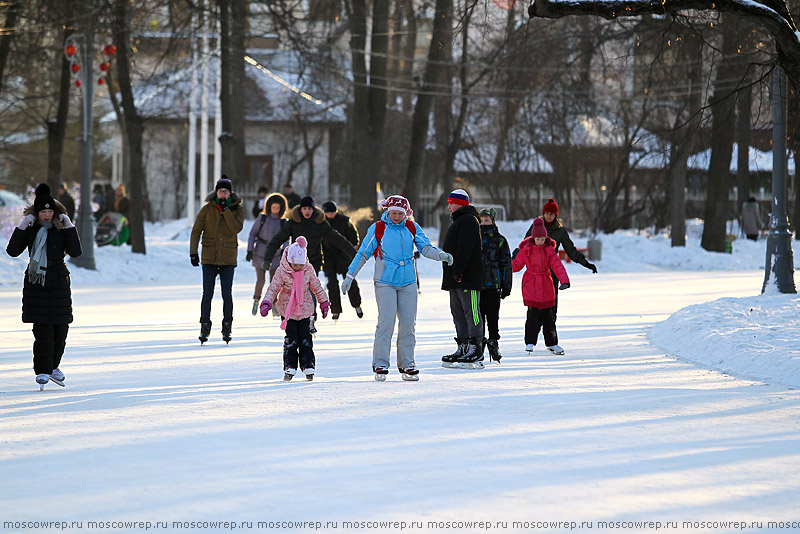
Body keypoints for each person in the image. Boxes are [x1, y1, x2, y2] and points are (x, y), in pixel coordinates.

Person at [342, 195, 452, 381]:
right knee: (386, 323)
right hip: (385, 281)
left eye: (399, 213)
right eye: (392, 213)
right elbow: (363, 253)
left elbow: (425, 247)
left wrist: (441, 255)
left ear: (405, 213)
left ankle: (407, 363)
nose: (396, 216)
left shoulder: (411, 227)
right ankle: (380, 363)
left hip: (408, 281)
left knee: (408, 324)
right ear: (387, 211)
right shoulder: (379, 228)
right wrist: (350, 275)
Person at [5, 184, 82, 388]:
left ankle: (53, 367)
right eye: (43, 211)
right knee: (42, 331)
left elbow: (75, 252)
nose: (47, 215)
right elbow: (12, 251)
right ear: (36, 212)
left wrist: (69, 226)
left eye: (50, 211)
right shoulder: (31, 229)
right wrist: (23, 226)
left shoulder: (60, 227)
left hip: (58, 281)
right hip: (36, 281)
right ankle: (42, 371)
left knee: (61, 329)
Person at [261, 196, 356, 334]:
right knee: (297, 292)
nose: (307, 211)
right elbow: (277, 239)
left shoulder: (320, 223)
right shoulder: (294, 222)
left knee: (310, 290)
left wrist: (353, 254)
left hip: (313, 263)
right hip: (295, 264)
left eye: (309, 209)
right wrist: (267, 258)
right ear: (300, 209)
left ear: (313, 210)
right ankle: (294, 317)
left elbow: (337, 239)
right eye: (304, 208)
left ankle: (311, 318)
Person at [259, 236, 330, 381]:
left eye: (300, 264)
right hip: (287, 311)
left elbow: (317, 287)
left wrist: (323, 303)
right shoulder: (282, 271)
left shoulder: (308, 270)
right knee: (291, 340)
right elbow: (273, 288)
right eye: (295, 265)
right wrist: (266, 303)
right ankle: (290, 366)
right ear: (289, 261)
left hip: (305, 310)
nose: (298, 267)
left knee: (305, 339)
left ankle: (308, 364)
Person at [518, 197, 596, 321]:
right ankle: (533, 332)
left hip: (551, 274)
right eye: (547, 213)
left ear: (556, 215)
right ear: (543, 213)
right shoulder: (536, 228)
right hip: (534, 273)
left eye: (552, 214)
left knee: (551, 306)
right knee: (534, 307)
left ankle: (550, 331)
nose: (549, 216)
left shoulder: (560, 231)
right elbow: (524, 246)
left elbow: (570, 250)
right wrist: (510, 259)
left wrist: (586, 263)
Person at [189, 175, 245, 344]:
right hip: (209, 257)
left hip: (228, 257)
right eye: (220, 191)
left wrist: (226, 211)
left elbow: (236, 228)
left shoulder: (237, 209)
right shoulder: (207, 209)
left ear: (230, 193)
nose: (222, 195)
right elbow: (196, 230)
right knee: (207, 293)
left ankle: (227, 325)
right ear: (216, 192)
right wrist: (193, 252)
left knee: (227, 294)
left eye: (225, 192)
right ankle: (204, 325)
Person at [440, 189, 485, 368]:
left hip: (467, 277)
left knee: (471, 311)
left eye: (451, 203)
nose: (449, 206)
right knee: (457, 312)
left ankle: (476, 347)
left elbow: (465, 248)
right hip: (455, 277)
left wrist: (459, 270)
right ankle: (464, 346)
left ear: (461, 203)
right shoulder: (459, 220)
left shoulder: (468, 220)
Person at [513, 217, 570, 355]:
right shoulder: (526, 249)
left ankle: (552, 343)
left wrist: (564, 280)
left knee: (548, 317)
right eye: (538, 239)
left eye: (542, 239)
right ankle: (530, 342)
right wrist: (504, 266)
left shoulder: (549, 250)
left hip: (546, 285)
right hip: (531, 285)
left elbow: (557, 266)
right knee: (532, 316)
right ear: (533, 237)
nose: (540, 242)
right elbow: (516, 265)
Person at [478, 208, 512, 363]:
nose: (484, 223)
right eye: (481, 220)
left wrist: (506, 286)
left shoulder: (500, 240)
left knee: (492, 316)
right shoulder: (474, 239)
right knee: (478, 316)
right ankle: (479, 343)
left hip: (493, 284)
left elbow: (506, 264)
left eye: (487, 220)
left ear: (492, 221)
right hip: (477, 285)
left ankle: (493, 341)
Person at [246, 192, 288, 315]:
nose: (275, 210)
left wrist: (284, 252)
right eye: (273, 207)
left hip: (275, 255)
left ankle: (274, 303)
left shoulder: (283, 222)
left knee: (274, 281)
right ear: (269, 207)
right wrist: (250, 249)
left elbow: (286, 238)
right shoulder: (262, 219)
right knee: (261, 280)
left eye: (277, 208)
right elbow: (252, 234)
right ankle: (256, 300)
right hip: (260, 253)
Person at [321, 200, 363, 320]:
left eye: (333, 212)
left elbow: (354, 237)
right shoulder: (321, 223)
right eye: (328, 212)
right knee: (332, 284)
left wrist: (352, 248)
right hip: (328, 257)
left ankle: (357, 305)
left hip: (344, 256)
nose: (331, 214)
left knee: (350, 281)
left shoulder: (344, 221)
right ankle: (335, 310)